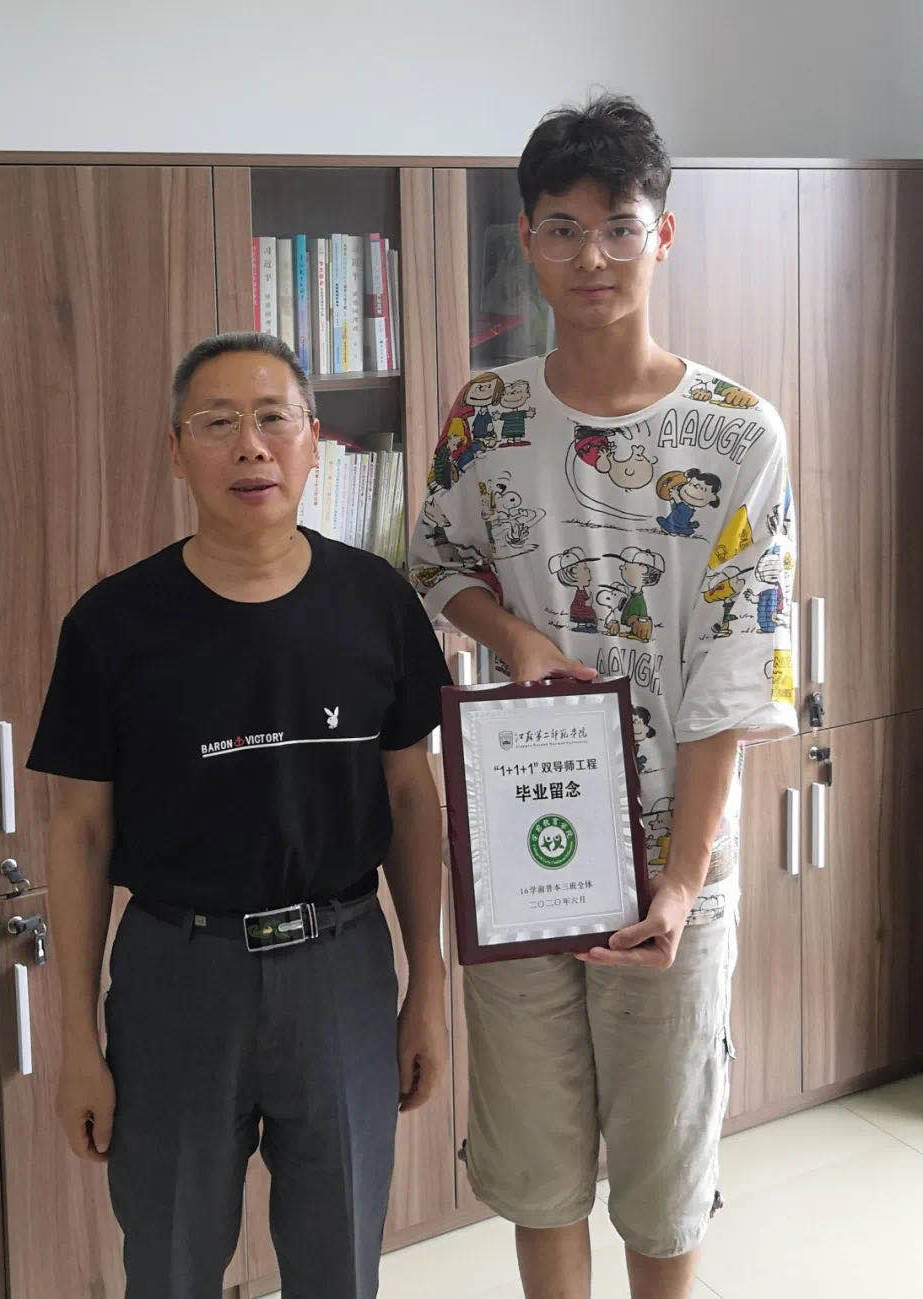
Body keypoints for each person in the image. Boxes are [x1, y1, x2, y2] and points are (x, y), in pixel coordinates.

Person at [409, 94, 797, 1299]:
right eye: (564, 228)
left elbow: (738, 664)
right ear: (526, 239)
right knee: (536, 1167)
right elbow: (436, 562)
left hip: (672, 857)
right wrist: (516, 637)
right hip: (521, 841)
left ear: (662, 236)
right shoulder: (489, 414)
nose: (593, 257)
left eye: (620, 227)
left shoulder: (737, 432)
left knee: (665, 1174)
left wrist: (680, 881)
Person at [27, 332, 451, 1299]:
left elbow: (410, 798)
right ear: (177, 451)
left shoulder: (377, 602)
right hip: (176, 974)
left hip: (341, 968)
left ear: (313, 442)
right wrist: (78, 1041)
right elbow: (80, 832)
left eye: (272, 419)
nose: (250, 446)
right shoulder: (112, 624)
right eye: (217, 423)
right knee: (171, 1263)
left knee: (339, 1261)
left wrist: (427, 986)